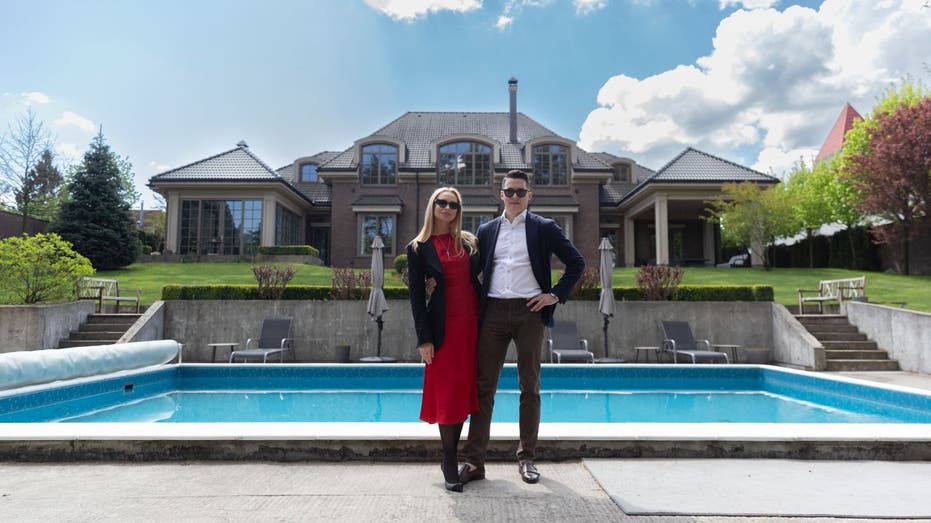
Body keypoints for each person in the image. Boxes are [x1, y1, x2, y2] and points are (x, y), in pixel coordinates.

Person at [460, 170, 585, 485]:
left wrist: (554, 295)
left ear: (530, 195)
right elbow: (470, 271)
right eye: (509, 191)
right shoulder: (486, 230)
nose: (514, 196)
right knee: (483, 387)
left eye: (520, 192)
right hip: (492, 313)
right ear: (499, 194)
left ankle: (527, 458)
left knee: (530, 386)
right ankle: (475, 463)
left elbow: (576, 263)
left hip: (530, 312)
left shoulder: (545, 228)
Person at [406, 187, 481, 493]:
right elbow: (415, 296)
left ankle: (455, 455)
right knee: (447, 393)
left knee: (462, 393)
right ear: (432, 206)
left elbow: (483, 277)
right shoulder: (418, 247)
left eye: (453, 204)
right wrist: (424, 339)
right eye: (442, 202)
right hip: (442, 329)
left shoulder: (469, 243)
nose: (448, 208)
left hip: (472, 325)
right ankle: (449, 459)